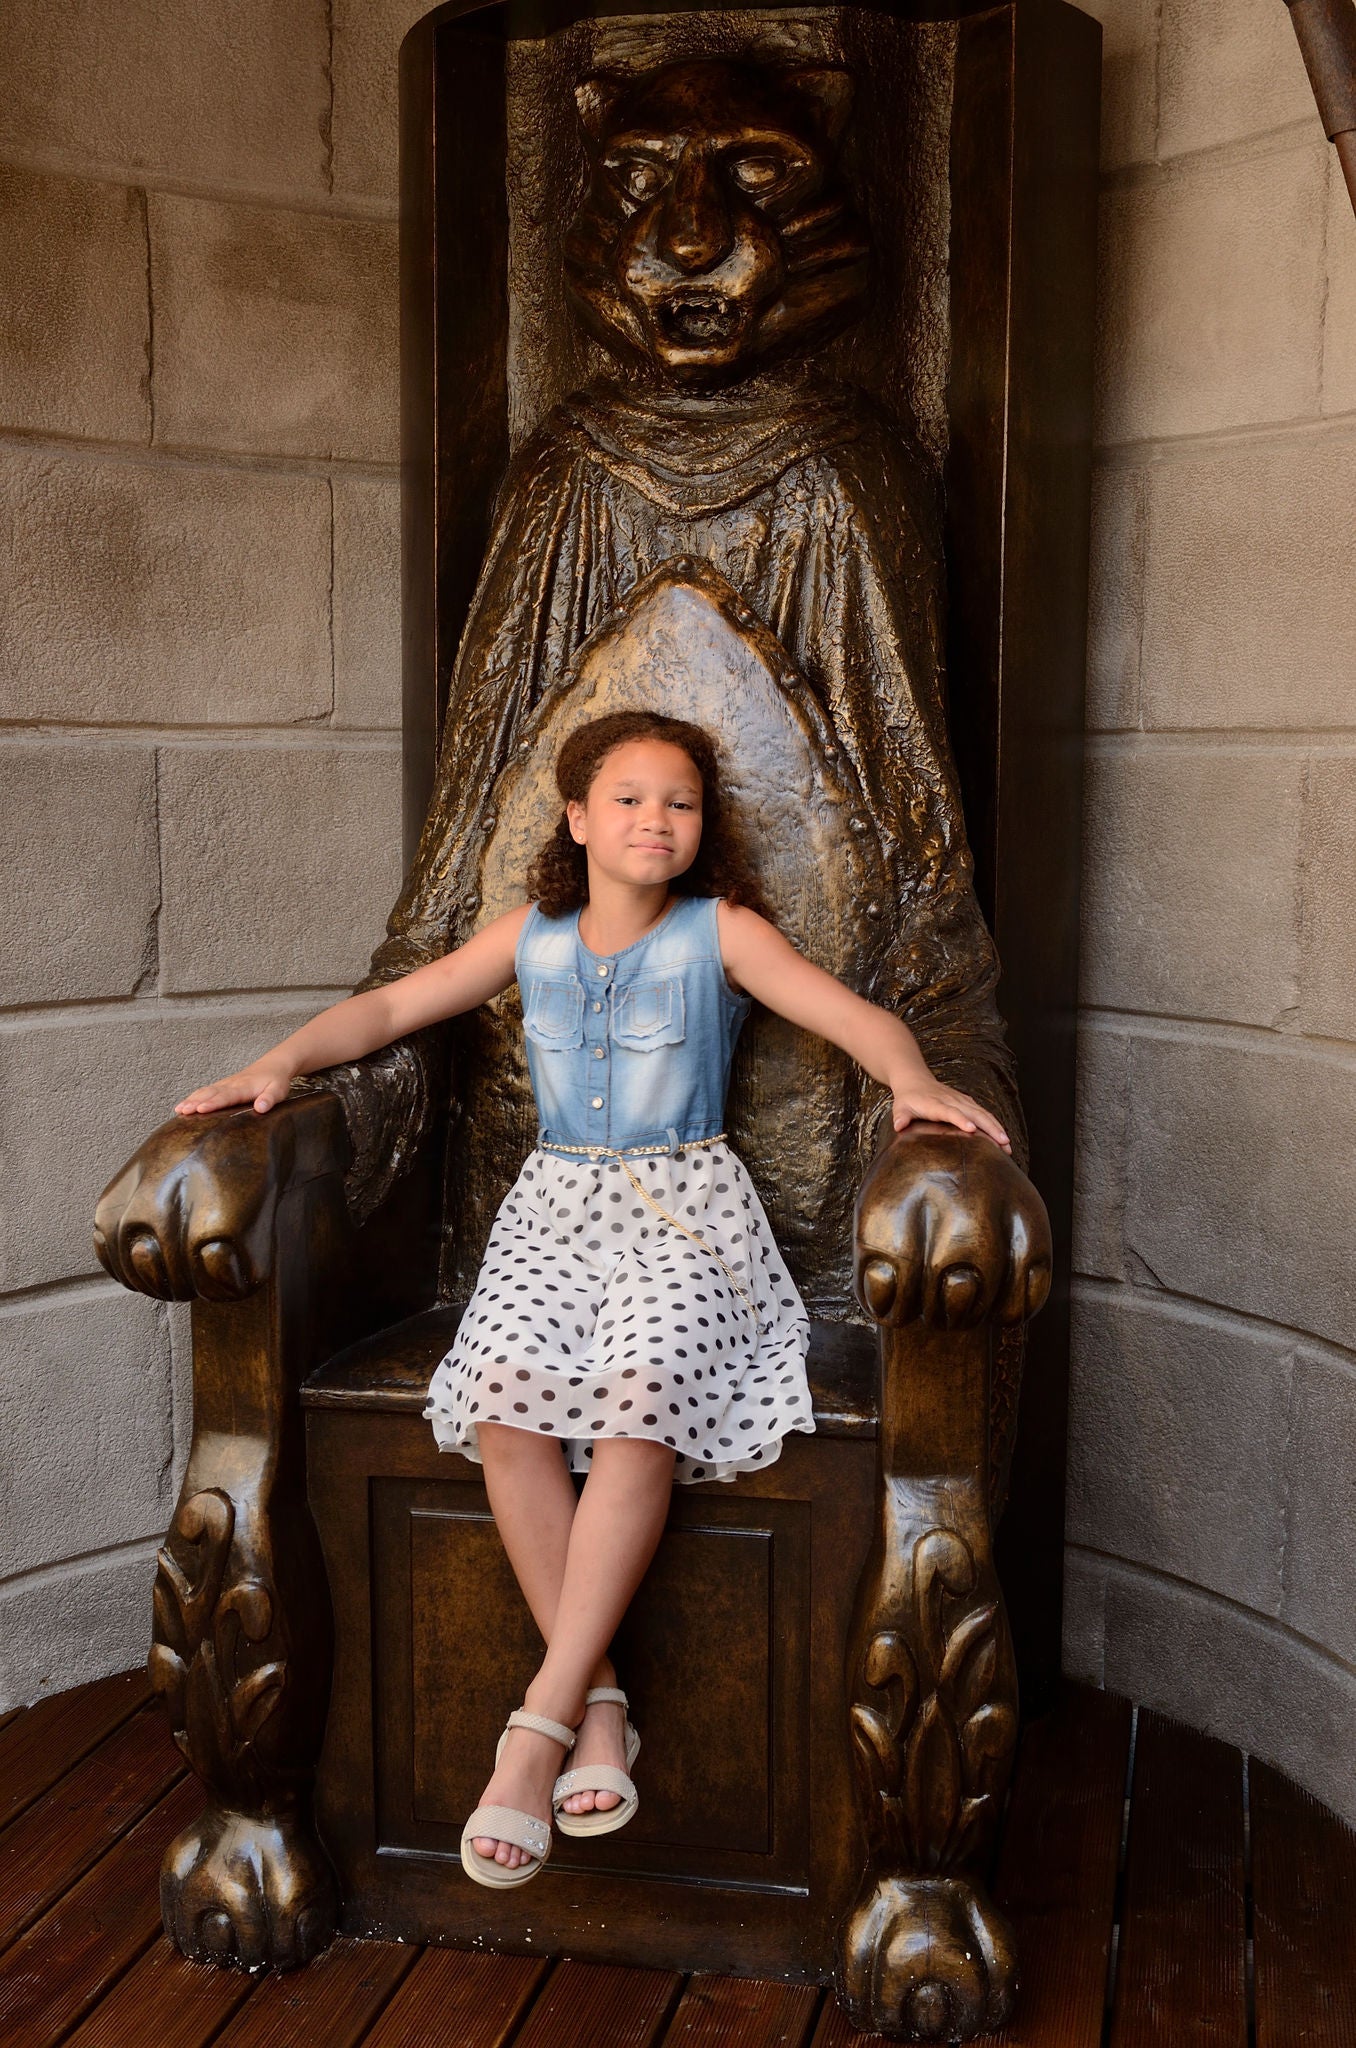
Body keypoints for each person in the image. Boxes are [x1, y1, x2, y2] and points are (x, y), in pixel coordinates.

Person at [174, 708, 1010, 1892]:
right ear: (578, 817)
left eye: (679, 801)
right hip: (555, 1220)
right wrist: (281, 1062)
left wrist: (917, 1080)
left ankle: (534, 1727)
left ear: (701, 825)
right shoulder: (533, 936)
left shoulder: (719, 932)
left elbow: (854, 1019)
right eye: (627, 798)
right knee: (507, 1401)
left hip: (686, 1217)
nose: (655, 819)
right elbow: (391, 1011)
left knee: (640, 1403)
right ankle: (600, 1701)